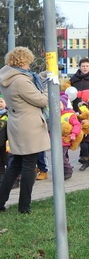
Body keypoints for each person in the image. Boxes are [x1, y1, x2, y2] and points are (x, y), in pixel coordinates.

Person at [0, 47, 49, 214]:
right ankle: (24, 207)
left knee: (16, 164)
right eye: (28, 62)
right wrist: (50, 88)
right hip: (29, 126)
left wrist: (42, 77)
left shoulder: (8, 77)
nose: (30, 66)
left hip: (18, 123)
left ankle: (1, 202)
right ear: (22, 62)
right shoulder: (20, 81)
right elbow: (42, 100)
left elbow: (31, 83)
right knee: (29, 165)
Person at [59, 92, 82, 180]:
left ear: (64, 105)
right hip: (56, 140)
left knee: (61, 156)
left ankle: (68, 169)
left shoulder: (69, 115)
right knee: (60, 157)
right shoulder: (55, 115)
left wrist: (73, 133)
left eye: (59, 104)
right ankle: (62, 171)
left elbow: (77, 125)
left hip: (65, 140)